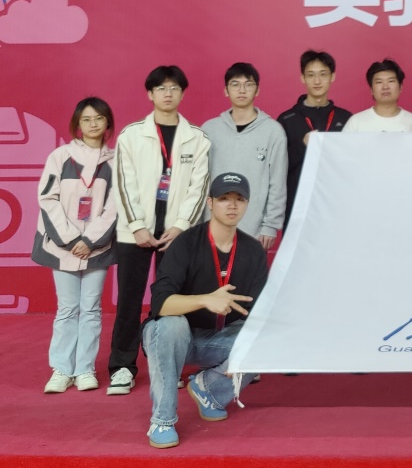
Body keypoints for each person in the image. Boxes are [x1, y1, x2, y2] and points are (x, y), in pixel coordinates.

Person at [141, 173, 268, 449]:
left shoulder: (253, 251)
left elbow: (258, 313)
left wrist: (247, 354)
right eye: (224, 198)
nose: (232, 205)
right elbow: (160, 304)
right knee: (172, 324)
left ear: (247, 204)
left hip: (217, 339)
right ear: (210, 203)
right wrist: (206, 300)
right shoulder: (186, 243)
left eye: (239, 199)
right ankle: (162, 420)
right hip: (171, 338)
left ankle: (208, 389)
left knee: (263, 339)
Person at [108, 66, 211, 396]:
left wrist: (181, 226)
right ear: (150, 94)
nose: (168, 93)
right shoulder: (131, 135)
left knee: (170, 303)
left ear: (182, 93)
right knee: (129, 301)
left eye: (174, 88)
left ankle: (169, 364)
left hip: (176, 235)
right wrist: (137, 226)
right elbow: (123, 184)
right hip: (135, 234)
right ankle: (122, 367)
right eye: (161, 88)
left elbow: (199, 187)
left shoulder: (197, 138)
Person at [32, 98, 120, 394]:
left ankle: (84, 369)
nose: (93, 124)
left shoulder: (116, 162)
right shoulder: (60, 156)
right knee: (67, 308)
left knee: (91, 309)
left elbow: (115, 206)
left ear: (108, 123)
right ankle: (61, 369)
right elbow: (48, 199)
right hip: (62, 247)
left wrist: (90, 240)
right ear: (77, 124)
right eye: (86, 119)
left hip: (98, 247)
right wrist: (71, 239)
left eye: (99, 118)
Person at [202, 63, 287, 250]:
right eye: (235, 84)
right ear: (226, 90)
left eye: (248, 84)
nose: (242, 90)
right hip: (212, 225)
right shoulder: (209, 129)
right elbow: (199, 179)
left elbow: (278, 181)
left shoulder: (273, 131)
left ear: (257, 90)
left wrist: (271, 225)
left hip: (254, 229)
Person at [278, 50, 352, 229]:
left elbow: (352, 165)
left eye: (323, 74)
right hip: (297, 206)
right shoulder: (287, 119)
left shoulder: (346, 118)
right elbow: (277, 168)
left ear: (332, 76)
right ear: (302, 78)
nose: (317, 81)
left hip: (335, 205)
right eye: (311, 75)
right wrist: (302, 146)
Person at [343, 59, 412, 133]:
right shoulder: (356, 122)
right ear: (371, 90)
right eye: (379, 82)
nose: (385, 87)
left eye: (391, 81)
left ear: (400, 87)